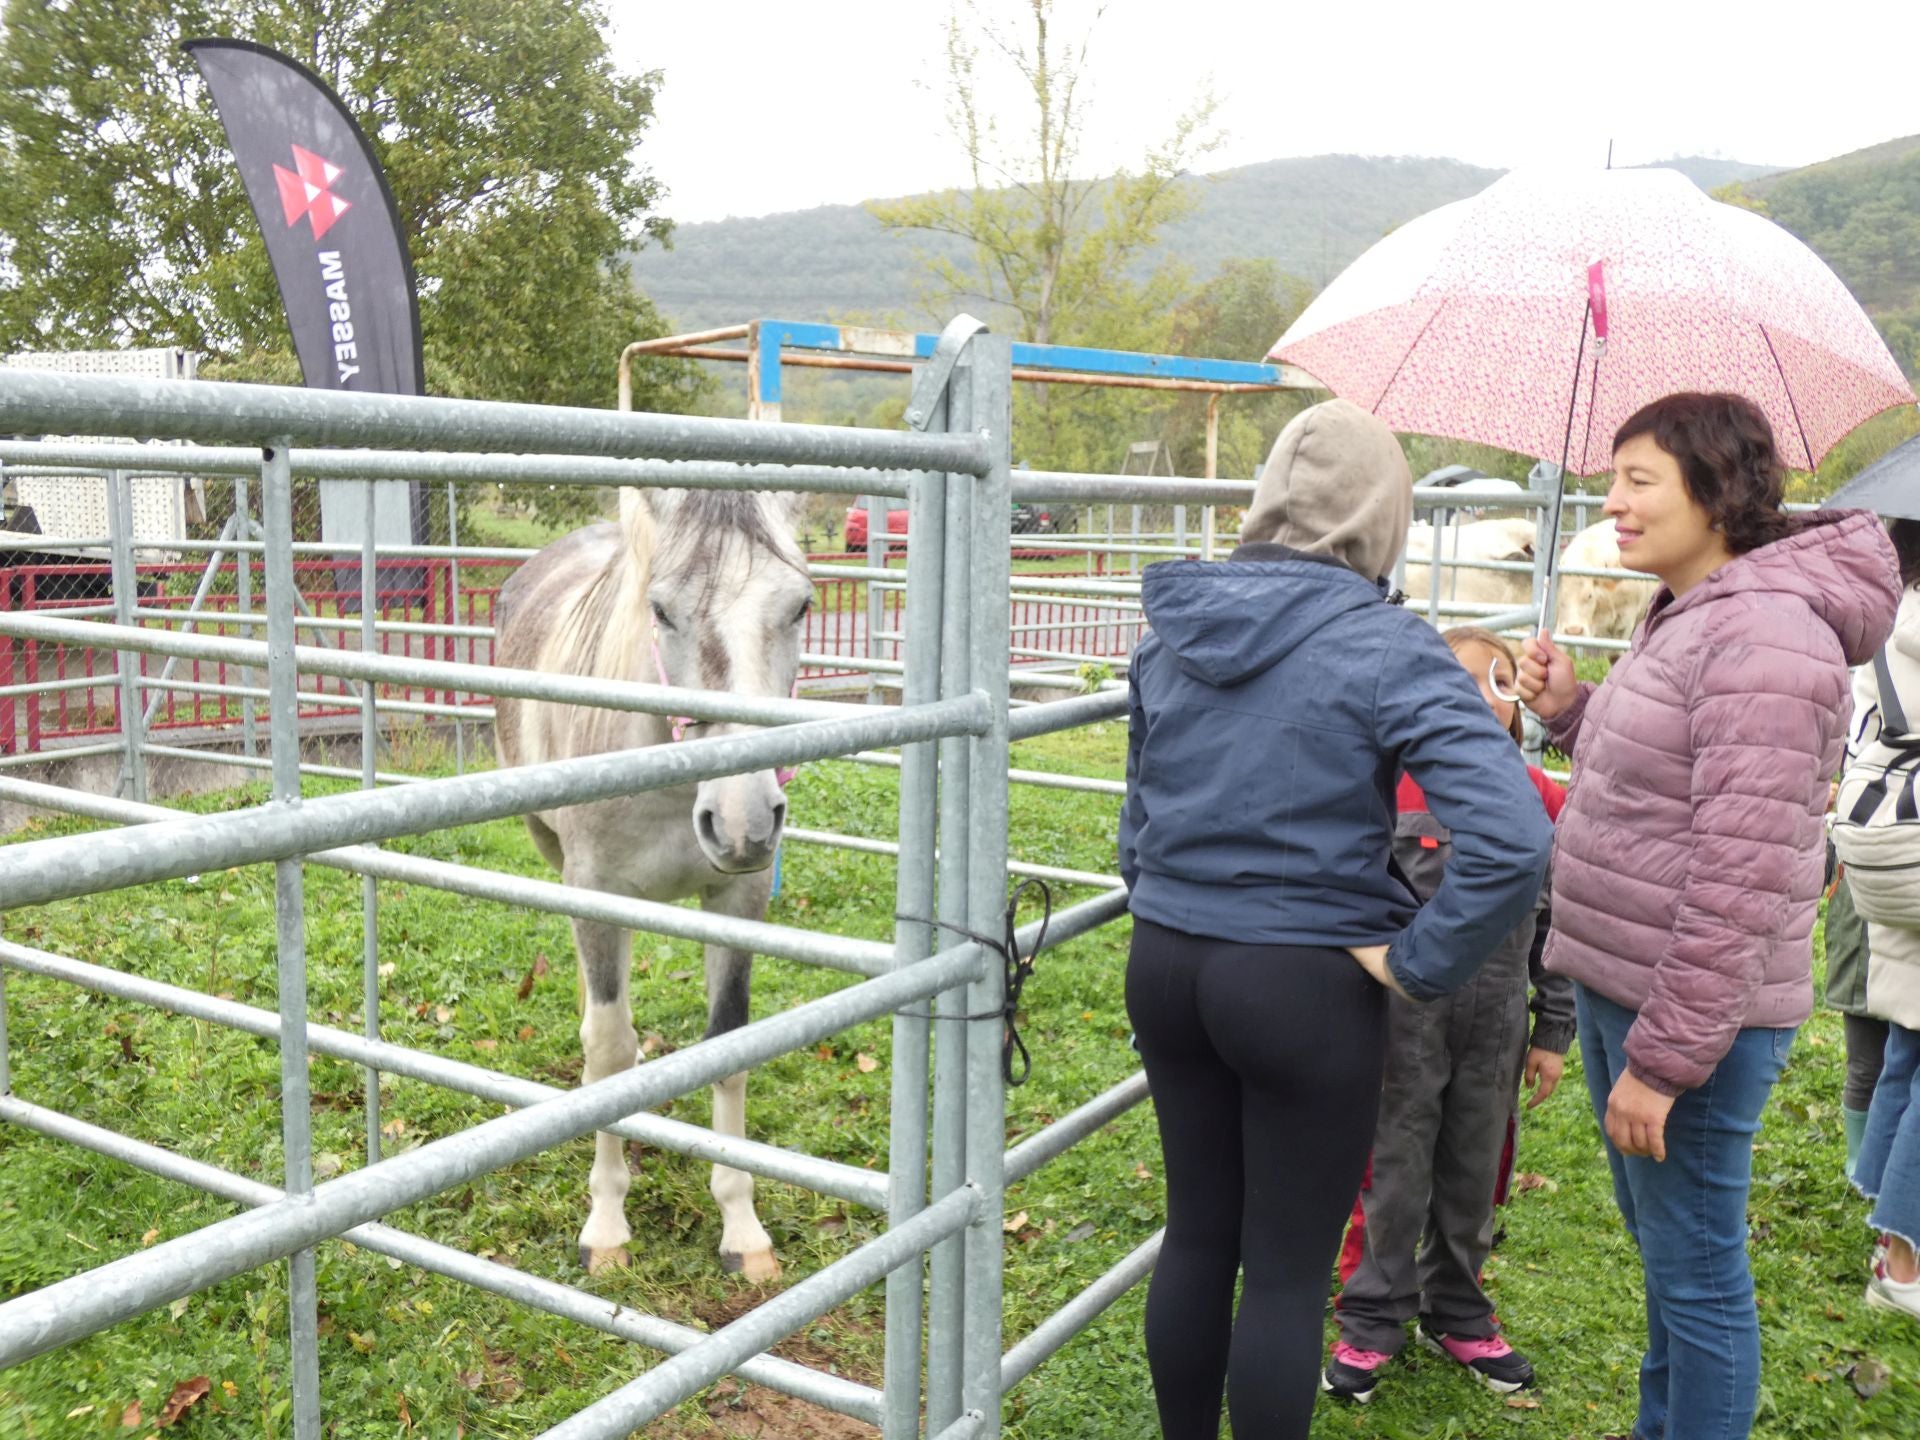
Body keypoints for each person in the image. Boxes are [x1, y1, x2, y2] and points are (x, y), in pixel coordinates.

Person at [1118, 398, 1555, 1439]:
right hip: (1303, 978)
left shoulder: (1175, 627)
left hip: (1168, 960)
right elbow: (1512, 834)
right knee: (1281, 1274)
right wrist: (1421, 964)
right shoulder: (1386, 645)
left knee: (1195, 1240)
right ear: (1384, 519)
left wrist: (1174, 901)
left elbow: (1137, 816)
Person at [1515, 392, 1900, 1440]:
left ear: (1716, 490)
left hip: (1687, 1016)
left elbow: (1743, 875)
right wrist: (1570, 713)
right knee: (1670, 1257)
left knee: (1695, 1270)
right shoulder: (1695, 610)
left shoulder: (1765, 635)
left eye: (1640, 481)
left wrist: (1664, 1062)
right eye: (1612, 480)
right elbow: (1661, 792)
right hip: (1622, 977)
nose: (1615, 504)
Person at [1325, 626, 1572, 1404]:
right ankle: (1371, 1320)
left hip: (1497, 1024)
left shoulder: (1541, 798)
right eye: (1462, 682)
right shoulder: (1379, 791)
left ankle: (1458, 1308)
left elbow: (1559, 922)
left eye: (1501, 682)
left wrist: (1553, 1030)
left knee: (1475, 1167)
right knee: (1393, 1168)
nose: (1482, 695)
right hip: (1403, 1020)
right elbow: (1345, 904)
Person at [1837, 517, 1920, 1321]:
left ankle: (1879, 1206)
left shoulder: (1887, 618)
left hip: (1886, 844)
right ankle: (1904, 1261)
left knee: (1907, 1038)